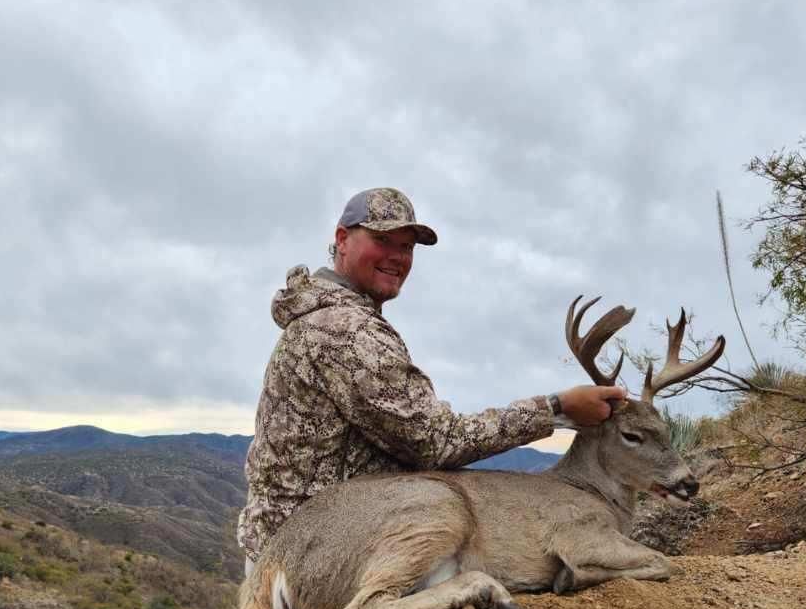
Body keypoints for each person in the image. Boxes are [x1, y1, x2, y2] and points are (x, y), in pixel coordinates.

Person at [237, 187, 624, 572]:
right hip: (322, 552)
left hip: (303, 540)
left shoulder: (330, 318)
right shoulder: (344, 330)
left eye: (406, 247)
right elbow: (435, 441)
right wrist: (556, 409)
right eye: (382, 239)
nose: (397, 257)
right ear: (342, 239)